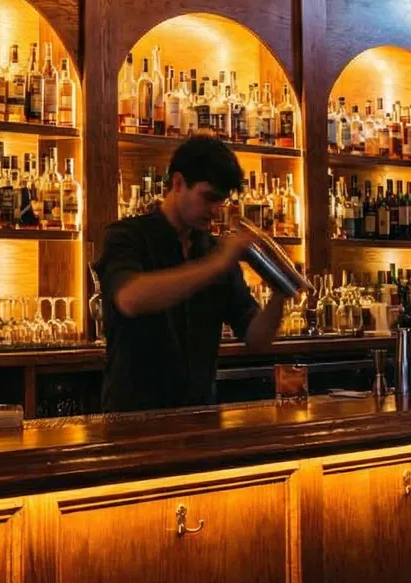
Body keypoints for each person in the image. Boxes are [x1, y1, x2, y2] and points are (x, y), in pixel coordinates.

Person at [93, 136, 289, 412]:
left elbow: (256, 338)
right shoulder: (127, 236)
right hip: (134, 418)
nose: (215, 211)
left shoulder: (214, 250)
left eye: (220, 201)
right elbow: (130, 298)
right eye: (208, 198)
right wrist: (217, 264)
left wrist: (280, 289)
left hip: (201, 414)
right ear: (178, 183)